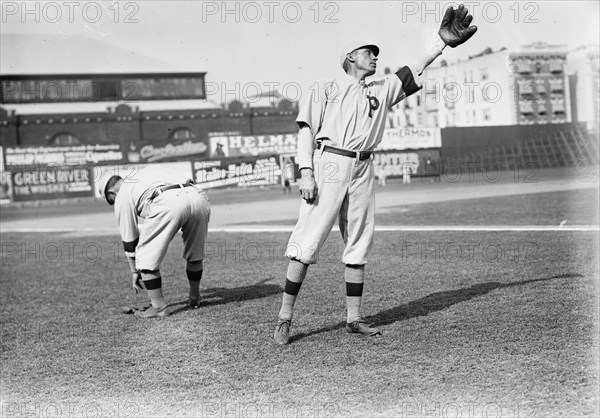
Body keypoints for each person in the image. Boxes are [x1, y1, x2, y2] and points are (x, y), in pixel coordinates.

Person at [273, 5, 477, 344]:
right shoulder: (326, 87)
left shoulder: (379, 90)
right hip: (330, 164)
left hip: (364, 166)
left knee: (358, 243)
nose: (375, 57)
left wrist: (440, 43)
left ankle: (353, 319)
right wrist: (306, 172)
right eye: (370, 52)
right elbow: (306, 132)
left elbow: (413, 69)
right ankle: (284, 319)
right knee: (306, 243)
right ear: (352, 56)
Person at [99, 165, 211, 318]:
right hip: (197, 196)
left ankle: (158, 307)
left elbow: (130, 238)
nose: (112, 203)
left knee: (144, 259)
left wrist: (134, 270)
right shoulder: (144, 174)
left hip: (168, 201)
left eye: (110, 200)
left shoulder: (122, 193)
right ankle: (195, 297)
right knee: (195, 253)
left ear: (111, 193)